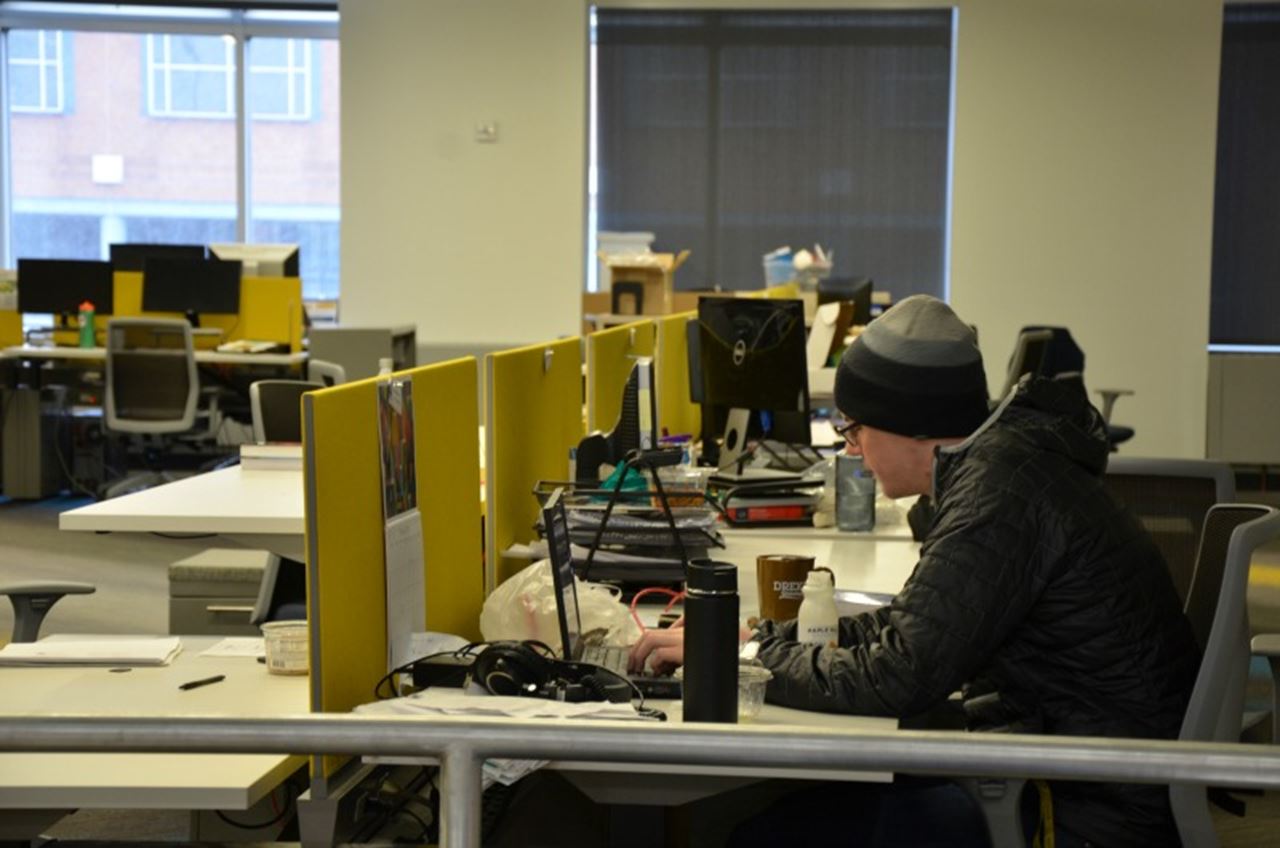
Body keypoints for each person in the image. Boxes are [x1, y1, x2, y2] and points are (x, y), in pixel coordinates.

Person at [630, 295, 1199, 847]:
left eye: (854, 429)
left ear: (914, 425)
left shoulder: (998, 497)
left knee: (762, 832)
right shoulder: (1004, 467)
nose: (851, 450)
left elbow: (897, 675)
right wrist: (754, 639)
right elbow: (911, 627)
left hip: (1084, 803)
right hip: (1075, 762)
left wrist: (745, 662)